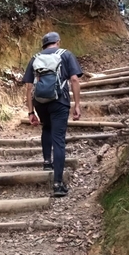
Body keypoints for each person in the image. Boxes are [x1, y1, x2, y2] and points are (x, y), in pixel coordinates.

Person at [23, 32, 83, 197]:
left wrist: (30, 112)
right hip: (59, 101)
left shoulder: (35, 57)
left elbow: (29, 87)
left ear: (44, 44)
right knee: (58, 140)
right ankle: (57, 184)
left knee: (47, 128)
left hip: (40, 102)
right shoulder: (66, 54)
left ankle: (47, 162)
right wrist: (77, 105)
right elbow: (75, 80)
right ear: (58, 42)